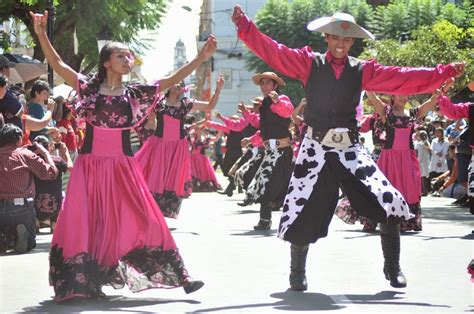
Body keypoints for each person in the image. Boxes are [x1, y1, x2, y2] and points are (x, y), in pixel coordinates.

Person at [232, 5, 464, 290]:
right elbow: (274, 51)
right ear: (326, 38)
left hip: (350, 148)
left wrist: (442, 73)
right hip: (315, 147)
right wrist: (245, 27)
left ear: (352, 41)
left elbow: (403, 77)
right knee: (300, 208)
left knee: (388, 199)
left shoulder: (363, 70)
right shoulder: (308, 63)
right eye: (335, 38)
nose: (341, 44)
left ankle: (393, 267)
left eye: (346, 39)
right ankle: (297, 272)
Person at [30, 10, 216, 302]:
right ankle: (90, 281)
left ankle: (183, 277)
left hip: (123, 167)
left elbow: (171, 79)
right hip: (90, 166)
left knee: (147, 216)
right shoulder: (88, 88)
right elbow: (57, 63)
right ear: (106, 62)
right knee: (91, 222)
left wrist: (201, 58)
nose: (128, 59)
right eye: (121, 56)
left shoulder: (135, 93)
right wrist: (41, 33)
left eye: (130, 56)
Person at [136, 77, 224, 218]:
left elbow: (210, 105)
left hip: (178, 147)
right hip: (159, 145)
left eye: (181, 84)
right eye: (176, 82)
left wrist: (218, 89)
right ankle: (150, 209)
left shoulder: (185, 104)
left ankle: (164, 210)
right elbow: (140, 111)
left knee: (173, 178)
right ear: (169, 86)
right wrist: (149, 121)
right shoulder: (158, 103)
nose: (178, 85)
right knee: (156, 176)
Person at [238, 72, 294, 230]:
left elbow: (287, 111)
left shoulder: (281, 99)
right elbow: (263, 127)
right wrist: (250, 137)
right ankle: (265, 219)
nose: (264, 86)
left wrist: (277, 101)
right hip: (270, 152)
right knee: (264, 184)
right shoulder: (264, 104)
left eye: (268, 83)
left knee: (277, 186)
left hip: (282, 152)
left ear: (275, 85)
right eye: (262, 83)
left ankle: (289, 219)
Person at [0, 123, 58, 253]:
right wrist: (44, 152)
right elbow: (51, 173)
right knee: (30, 243)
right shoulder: (25, 155)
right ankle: (23, 236)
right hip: (22, 207)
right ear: (18, 139)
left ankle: (4, 237)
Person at [31, 135, 73, 233]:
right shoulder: (57, 161)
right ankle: (54, 224)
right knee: (62, 194)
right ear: (49, 147)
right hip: (55, 207)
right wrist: (65, 153)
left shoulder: (31, 161)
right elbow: (71, 168)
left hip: (35, 207)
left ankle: (35, 222)